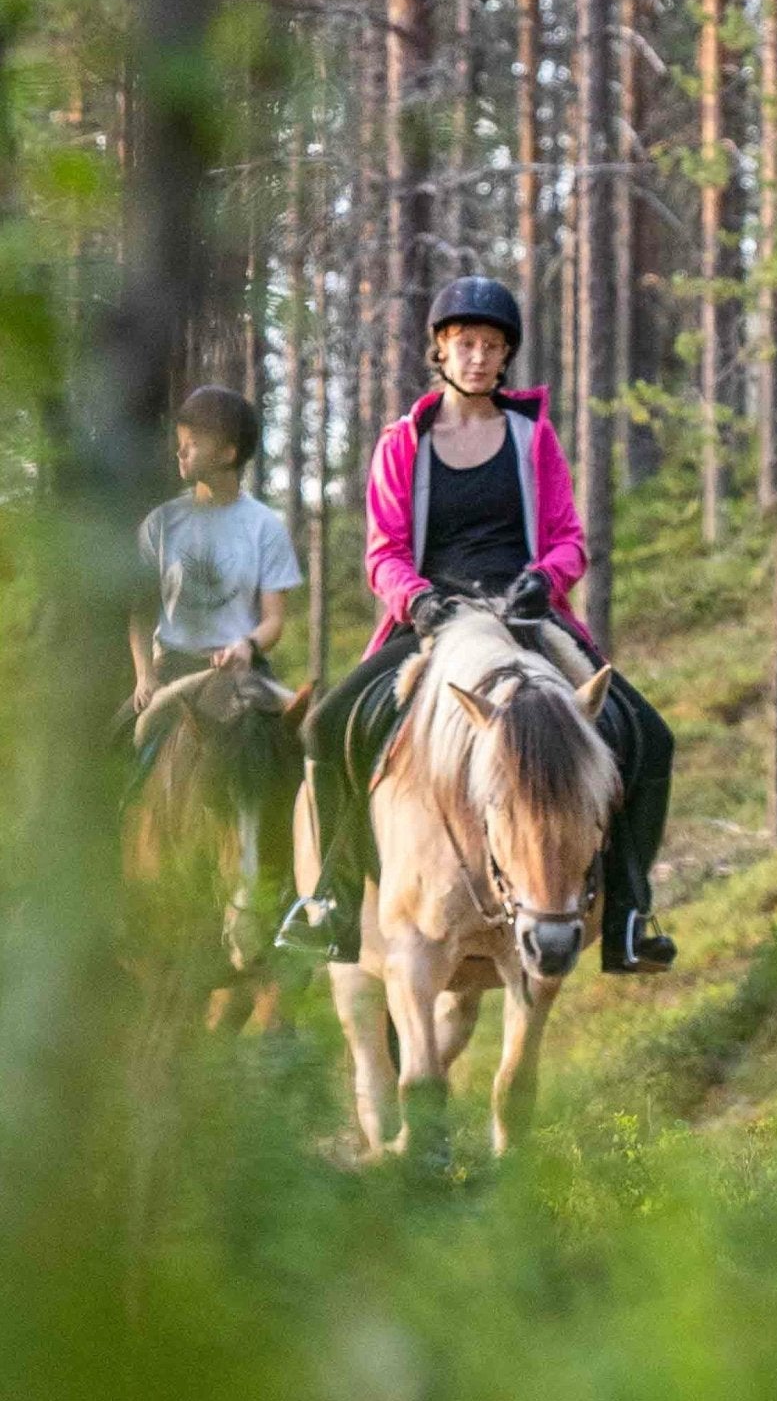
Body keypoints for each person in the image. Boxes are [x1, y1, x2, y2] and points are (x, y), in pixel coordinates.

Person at [281, 277, 676, 973]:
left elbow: (568, 539)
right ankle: (332, 903)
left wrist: (543, 581)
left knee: (648, 735)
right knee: (324, 726)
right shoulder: (403, 443)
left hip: (525, 616)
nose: (479, 357)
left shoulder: (532, 437)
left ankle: (628, 914)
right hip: (433, 620)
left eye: (492, 347)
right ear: (441, 350)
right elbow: (383, 552)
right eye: (466, 344)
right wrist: (418, 599)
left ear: (505, 357)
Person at [129, 384, 301, 766]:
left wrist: (246, 646)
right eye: (180, 441)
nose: (180, 450)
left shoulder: (265, 527)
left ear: (227, 453)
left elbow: (274, 619)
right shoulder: (161, 524)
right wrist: (144, 676)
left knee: (297, 748)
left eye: (192, 442)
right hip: (174, 669)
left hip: (242, 671)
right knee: (118, 747)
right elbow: (141, 613)